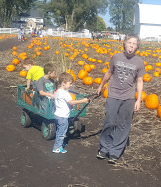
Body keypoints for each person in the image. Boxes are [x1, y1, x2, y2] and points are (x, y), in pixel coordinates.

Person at [96, 34, 145, 164]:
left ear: (137, 46)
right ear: (124, 43)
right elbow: (109, 73)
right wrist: (101, 85)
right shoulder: (116, 57)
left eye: (134, 44)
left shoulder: (139, 62)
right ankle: (104, 148)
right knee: (110, 122)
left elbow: (140, 81)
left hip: (128, 97)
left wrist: (138, 99)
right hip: (113, 94)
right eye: (130, 43)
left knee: (123, 125)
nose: (131, 46)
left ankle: (115, 152)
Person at [53, 72, 89, 154]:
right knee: (62, 133)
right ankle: (57, 148)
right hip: (63, 116)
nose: (71, 85)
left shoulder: (58, 91)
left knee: (59, 131)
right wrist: (83, 101)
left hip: (58, 115)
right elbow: (71, 102)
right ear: (63, 83)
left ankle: (58, 144)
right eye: (70, 83)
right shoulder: (66, 94)